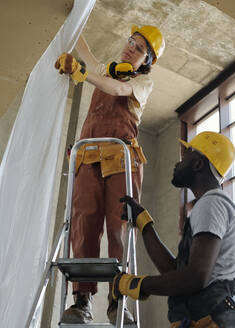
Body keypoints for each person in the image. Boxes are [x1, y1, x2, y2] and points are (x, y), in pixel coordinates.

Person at [54, 25, 165, 324]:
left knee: (119, 227)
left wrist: (80, 73)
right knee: (84, 223)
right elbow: (86, 53)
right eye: (131, 42)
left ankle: (118, 304)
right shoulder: (106, 70)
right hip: (88, 157)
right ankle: (81, 301)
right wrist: (76, 17)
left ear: (147, 61)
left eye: (140, 48)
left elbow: (115, 89)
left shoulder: (143, 84)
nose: (131, 47)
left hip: (121, 161)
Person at [114, 131, 235, 328]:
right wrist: (144, 223)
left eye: (185, 156)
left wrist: (137, 284)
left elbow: (195, 277)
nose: (177, 163)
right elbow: (176, 273)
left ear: (198, 164)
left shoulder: (211, 204)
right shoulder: (211, 206)